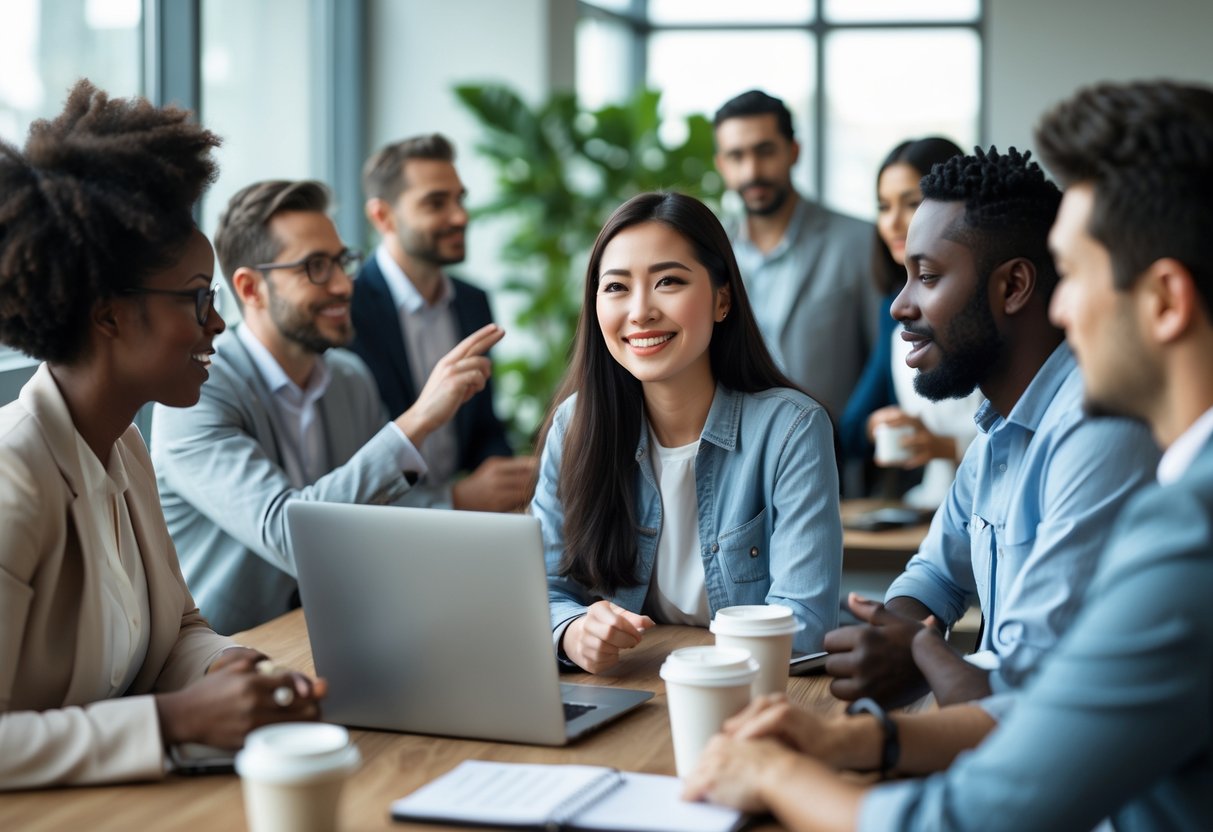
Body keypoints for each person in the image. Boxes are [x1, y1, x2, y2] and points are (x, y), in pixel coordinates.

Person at [685, 78, 1213, 832]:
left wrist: (774, 770)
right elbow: (994, 663)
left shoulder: (1188, 526)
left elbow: (968, 814)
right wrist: (856, 734)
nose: (1063, 310)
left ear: (1163, 300)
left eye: (1080, 276)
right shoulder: (1017, 430)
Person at [0, 81, 322, 790]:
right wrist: (175, 722)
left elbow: (176, 630)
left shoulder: (122, 444)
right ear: (109, 315)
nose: (218, 323)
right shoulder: (12, 476)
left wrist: (224, 669)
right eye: (198, 297)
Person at [822, 147, 1159, 709]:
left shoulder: (1097, 428)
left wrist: (919, 656)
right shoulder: (998, 431)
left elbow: (1023, 693)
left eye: (927, 276)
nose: (900, 306)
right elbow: (933, 575)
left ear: (1013, 286)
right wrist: (893, 639)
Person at [151, 180, 502, 635]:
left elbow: (386, 512)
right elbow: (292, 534)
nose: (342, 285)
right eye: (315, 267)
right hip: (226, 655)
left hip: (339, 630)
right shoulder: (199, 391)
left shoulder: (350, 379)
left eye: (341, 262)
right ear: (251, 287)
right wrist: (417, 420)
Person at [532, 192, 842, 674]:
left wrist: (682, 661)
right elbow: (539, 592)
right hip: (624, 696)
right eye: (616, 287)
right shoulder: (576, 426)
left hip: (746, 704)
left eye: (668, 281)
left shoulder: (791, 429)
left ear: (722, 300)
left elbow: (802, 626)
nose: (640, 311)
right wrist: (573, 632)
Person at [353, 134, 534, 511]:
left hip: (460, 529)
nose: (460, 216)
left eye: (460, 199)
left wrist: (503, 475)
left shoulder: (472, 302)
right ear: (382, 216)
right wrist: (453, 500)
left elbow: (483, 424)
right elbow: (349, 463)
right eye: (437, 203)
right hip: (374, 528)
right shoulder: (347, 309)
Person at [713, 89, 879, 422]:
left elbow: (884, 365)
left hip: (836, 454)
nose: (752, 171)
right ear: (721, 165)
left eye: (765, 151)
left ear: (794, 151)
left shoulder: (860, 242)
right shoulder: (710, 251)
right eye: (736, 156)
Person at [838, 137, 984, 508]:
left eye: (912, 203)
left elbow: (1031, 432)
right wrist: (879, 425)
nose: (893, 222)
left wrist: (946, 446)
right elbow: (852, 428)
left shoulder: (993, 305)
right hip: (932, 511)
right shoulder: (896, 308)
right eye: (884, 206)